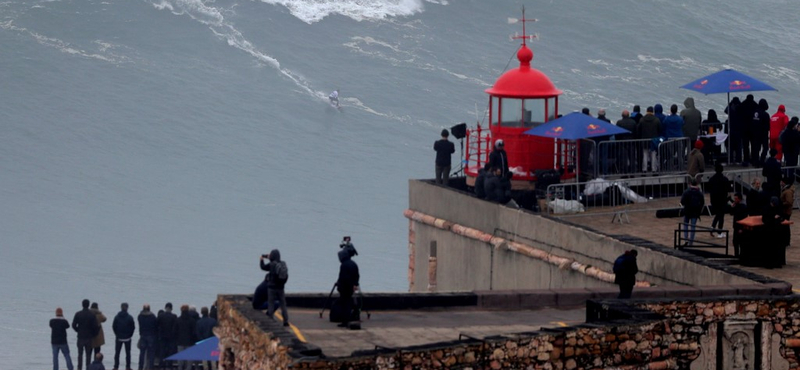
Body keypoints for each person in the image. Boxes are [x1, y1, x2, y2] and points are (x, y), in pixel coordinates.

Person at [259, 249, 290, 326]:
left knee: (271, 304)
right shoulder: (283, 263)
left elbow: (263, 267)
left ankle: (270, 320)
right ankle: (285, 321)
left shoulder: (271, 264)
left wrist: (261, 260)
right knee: (283, 304)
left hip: (272, 288)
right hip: (281, 287)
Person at [336, 248, 360, 328]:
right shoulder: (353, 264)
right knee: (349, 303)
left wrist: (339, 285)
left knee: (344, 304)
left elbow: (342, 277)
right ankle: (351, 318)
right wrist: (355, 284)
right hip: (351, 287)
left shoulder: (344, 265)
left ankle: (345, 321)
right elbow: (357, 276)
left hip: (345, 287)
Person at [73, 299, 98, 370]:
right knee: (88, 354)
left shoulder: (78, 314)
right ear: (88, 305)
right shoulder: (92, 315)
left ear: (82, 305)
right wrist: (93, 334)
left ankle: (79, 368)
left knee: (80, 354)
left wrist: (78, 330)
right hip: (89, 337)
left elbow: (73, 325)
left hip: (80, 336)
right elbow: (95, 326)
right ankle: (88, 368)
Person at [707, 163, 730, 237]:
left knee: (718, 214)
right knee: (721, 215)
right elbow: (728, 189)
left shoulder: (711, 179)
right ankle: (719, 231)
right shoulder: (725, 179)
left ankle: (713, 227)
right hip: (722, 200)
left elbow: (709, 189)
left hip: (714, 200)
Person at [680, 179, 705, 246]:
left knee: (685, 225)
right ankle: (691, 241)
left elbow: (682, 201)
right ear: (696, 184)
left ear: (690, 183)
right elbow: (702, 202)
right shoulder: (699, 193)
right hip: (695, 211)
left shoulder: (686, 192)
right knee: (693, 226)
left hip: (687, 210)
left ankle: (685, 239)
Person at [637, 106, 662, 173]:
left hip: (644, 140)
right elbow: (660, 129)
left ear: (647, 111)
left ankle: (644, 169)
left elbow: (639, 129)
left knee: (645, 155)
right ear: (652, 111)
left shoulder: (642, 119)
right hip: (654, 140)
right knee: (653, 155)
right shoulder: (656, 120)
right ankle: (654, 169)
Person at [112, 303, 135, 370]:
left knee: (117, 353)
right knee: (128, 353)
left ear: (121, 307)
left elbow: (114, 327)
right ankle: (128, 367)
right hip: (127, 338)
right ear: (127, 308)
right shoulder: (130, 317)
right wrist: (130, 335)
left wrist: (117, 334)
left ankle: (116, 366)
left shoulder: (117, 317)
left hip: (119, 338)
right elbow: (133, 327)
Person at [176, 305, 197, 370]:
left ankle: (180, 368)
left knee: (180, 359)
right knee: (189, 360)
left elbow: (175, 331)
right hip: (190, 342)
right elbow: (194, 332)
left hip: (180, 342)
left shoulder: (177, 320)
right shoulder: (192, 320)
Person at [156, 303, 178, 368]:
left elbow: (157, 325)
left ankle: (161, 364)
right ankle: (169, 364)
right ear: (171, 308)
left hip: (162, 336)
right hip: (171, 337)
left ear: (165, 308)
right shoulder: (174, 316)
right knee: (170, 351)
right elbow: (175, 327)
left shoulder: (160, 316)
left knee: (162, 351)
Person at [739, 94, 758, 166]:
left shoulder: (743, 104)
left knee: (745, 145)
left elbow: (738, 111)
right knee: (753, 145)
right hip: (753, 129)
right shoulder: (755, 105)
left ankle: (746, 159)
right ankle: (753, 159)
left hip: (744, 128)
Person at [137, 304, 157, 370]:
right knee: (151, 353)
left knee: (142, 353)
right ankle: (150, 367)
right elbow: (155, 326)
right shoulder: (152, 316)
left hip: (143, 335)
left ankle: (140, 367)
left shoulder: (140, 316)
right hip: (151, 336)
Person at [729, 192, 748, 257]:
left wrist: (741, 228)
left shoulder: (743, 207)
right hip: (736, 226)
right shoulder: (736, 205)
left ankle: (742, 255)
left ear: (739, 199)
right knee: (735, 242)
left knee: (741, 242)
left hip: (740, 227)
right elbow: (731, 213)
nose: (735, 200)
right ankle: (736, 255)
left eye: (736, 199)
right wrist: (732, 207)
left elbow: (744, 218)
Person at [725, 97, 743, 164]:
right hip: (739, 129)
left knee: (731, 146)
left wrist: (729, 104)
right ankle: (739, 159)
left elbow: (725, 111)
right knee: (738, 146)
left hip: (731, 129)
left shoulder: (730, 108)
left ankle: (731, 159)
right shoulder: (740, 108)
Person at [754, 99, 771, 165]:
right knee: (765, 148)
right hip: (763, 133)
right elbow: (768, 126)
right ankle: (762, 160)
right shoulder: (765, 114)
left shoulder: (755, 112)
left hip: (755, 133)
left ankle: (756, 161)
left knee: (756, 148)